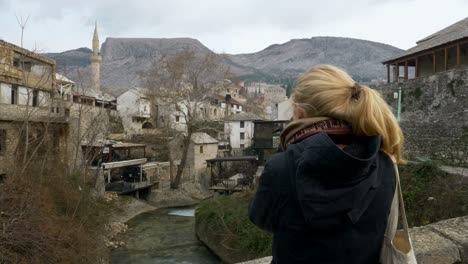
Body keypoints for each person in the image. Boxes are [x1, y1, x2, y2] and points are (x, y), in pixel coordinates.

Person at [248, 65, 404, 264]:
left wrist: (289, 148)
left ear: (300, 113)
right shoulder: (384, 162)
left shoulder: (282, 167)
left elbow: (261, 218)